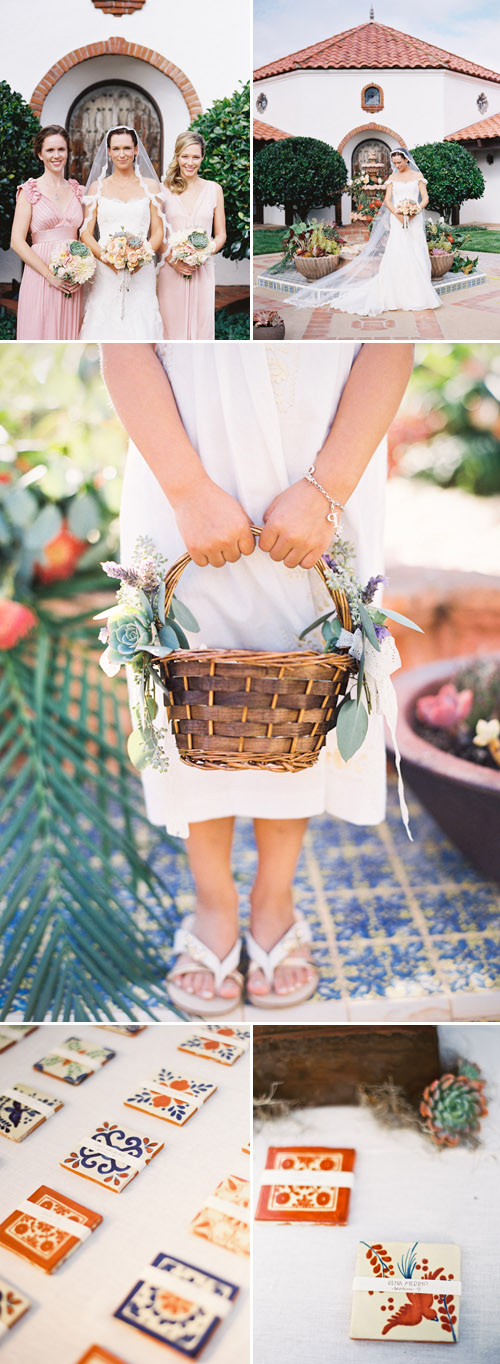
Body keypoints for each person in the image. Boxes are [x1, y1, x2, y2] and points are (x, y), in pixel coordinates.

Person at [101, 340, 414, 1015]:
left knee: (306, 690)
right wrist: (185, 490)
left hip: (325, 468)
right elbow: (124, 347)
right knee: (192, 689)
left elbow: (391, 342)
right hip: (184, 457)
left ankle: (275, 900)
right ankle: (213, 904)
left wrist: (326, 490)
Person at [290, 149, 440, 317]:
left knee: (415, 250)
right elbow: (387, 201)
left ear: (406, 160)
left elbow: (425, 198)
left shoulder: (417, 176)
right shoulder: (392, 178)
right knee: (398, 251)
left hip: (415, 219)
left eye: (399, 162)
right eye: (395, 163)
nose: (397, 166)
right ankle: (396, 291)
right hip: (397, 219)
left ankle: (417, 292)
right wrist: (398, 215)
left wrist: (414, 211)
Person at [79, 126, 165, 340]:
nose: (122, 154)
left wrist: (141, 257)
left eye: (127, 148)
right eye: (116, 148)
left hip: (141, 269)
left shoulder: (151, 187)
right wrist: (108, 258)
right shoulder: (97, 188)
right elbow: (85, 233)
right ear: (108, 152)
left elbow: (158, 232)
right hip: (105, 269)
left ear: (136, 150)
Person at [11, 125, 84, 340]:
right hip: (41, 276)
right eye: (50, 150)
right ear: (40, 154)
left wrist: (81, 270)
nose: (56, 155)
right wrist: (50, 276)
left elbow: (82, 237)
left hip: (73, 279)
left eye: (61, 150)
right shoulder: (29, 191)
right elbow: (16, 241)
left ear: (68, 152)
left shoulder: (77, 190)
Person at [157, 132, 226, 339]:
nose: (190, 162)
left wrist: (203, 253)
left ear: (203, 158)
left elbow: (221, 234)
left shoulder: (214, 190)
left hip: (202, 270)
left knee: (202, 328)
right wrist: (172, 259)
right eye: (185, 156)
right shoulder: (162, 190)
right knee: (171, 329)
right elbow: (157, 234)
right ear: (177, 156)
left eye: (196, 157)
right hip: (171, 270)